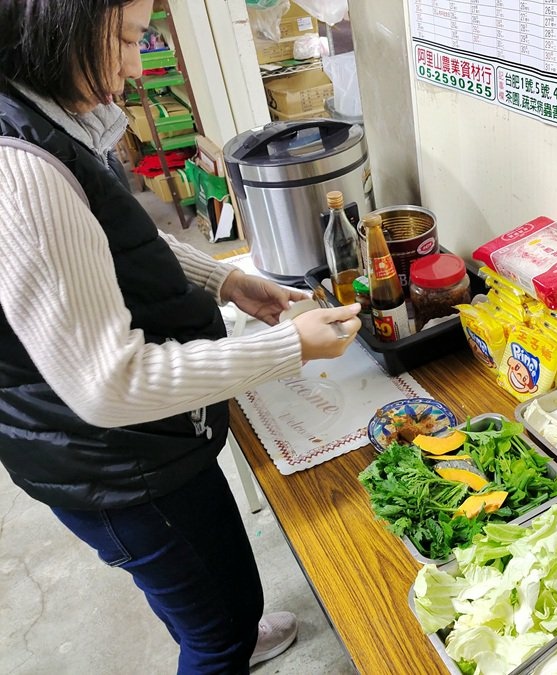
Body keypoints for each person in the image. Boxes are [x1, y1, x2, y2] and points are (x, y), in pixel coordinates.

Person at [0, 0, 361, 671]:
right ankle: (221, 638)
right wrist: (290, 346)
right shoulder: (20, 170)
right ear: (54, 25)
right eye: (128, 39)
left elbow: (114, 242)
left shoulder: (44, 109)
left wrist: (221, 281)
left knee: (209, 584)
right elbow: (110, 384)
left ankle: (225, 622)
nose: (135, 67)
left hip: (139, 446)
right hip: (116, 464)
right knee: (212, 632)